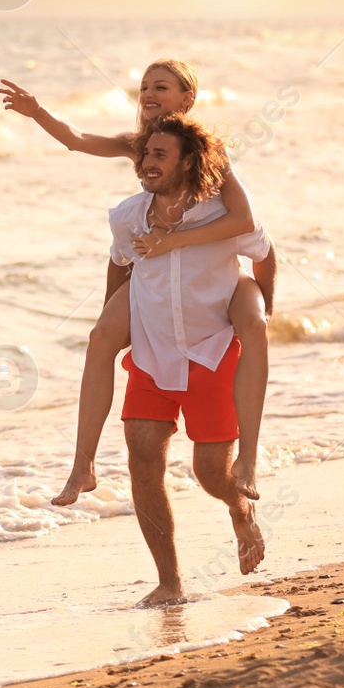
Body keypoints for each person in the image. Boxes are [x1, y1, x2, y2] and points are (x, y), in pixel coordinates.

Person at [0, 61, 271, 501]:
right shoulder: (138, 143)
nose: (148, 93)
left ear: (187, 98)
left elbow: (244, 222)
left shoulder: (207, 149)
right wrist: (38, 112)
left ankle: (249, 461)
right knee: (101, 336)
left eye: (161, 86)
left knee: (255, 327)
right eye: (144, 86)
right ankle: (82, 465)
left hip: (214, 269)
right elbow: (77, 140)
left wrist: (172, 241)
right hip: (156, 270)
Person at [105, 115, 277, 602]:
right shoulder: (127, 216)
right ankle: (169, 581)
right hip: (152, 355)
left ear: (187, 163)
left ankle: (240, 511)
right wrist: (111, 328)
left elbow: (264, 251)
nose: (147, 162)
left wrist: (262, 308)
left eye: (160, 154)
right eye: (145, 154)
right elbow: (119, 265)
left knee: (210, 474)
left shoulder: (219, 215)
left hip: (212, 353)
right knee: (142, 460)